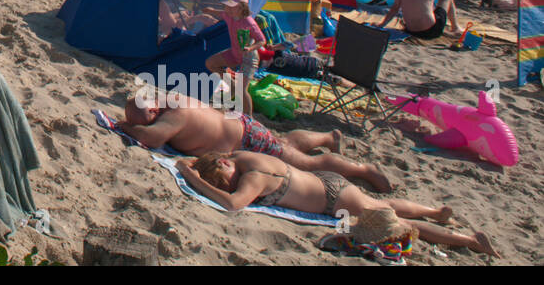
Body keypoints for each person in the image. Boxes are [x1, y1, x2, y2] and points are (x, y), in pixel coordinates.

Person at [178, 151, 497, 256]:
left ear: (224, 162)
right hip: (327, 184)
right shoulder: (237, 156)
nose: (229, 184)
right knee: (380, 204)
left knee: (396, 222)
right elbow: (206, 162)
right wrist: (194, 166)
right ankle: (436, 211)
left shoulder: (253, 177)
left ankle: (469, 240)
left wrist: (194, 180)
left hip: (333, 199)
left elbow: (233, 204)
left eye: (225, 178)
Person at [119, 88, 390, 188]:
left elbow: (151, 138)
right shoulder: (167, 98)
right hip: (241, 129)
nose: (140, 123)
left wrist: (127, 127)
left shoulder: (174, 114)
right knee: (285, 146)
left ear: (154, 109)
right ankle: (328, 137)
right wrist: (134, 122)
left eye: (141, 118)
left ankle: (364, 169)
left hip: (244, 139)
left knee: (305, 165)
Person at [203, 0, 265, 116]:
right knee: (211, 63)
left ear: (242, 7)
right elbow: (221, 13)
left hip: (249, 58)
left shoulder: (248, 22)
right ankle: (230, 85)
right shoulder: (229, 15)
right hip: (235, 53)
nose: (228, 9)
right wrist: (211, 10)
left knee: (241, 90)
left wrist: (250, 48)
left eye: (232, 6)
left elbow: (262, 41)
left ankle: (249, 118)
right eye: (226, 6)